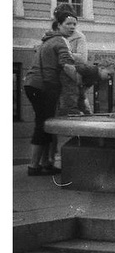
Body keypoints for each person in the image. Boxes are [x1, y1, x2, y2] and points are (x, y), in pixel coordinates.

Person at [23, 11, 78, 176]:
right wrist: (80, 80)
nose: (72, 27)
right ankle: (34, 166)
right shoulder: (61, 41)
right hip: (44, 86)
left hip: (33, 84)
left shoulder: (47, 40)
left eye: (74, 24)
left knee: (45, 123)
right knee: (43, 124)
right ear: (59, 25)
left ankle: (45, 163)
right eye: (68, 24)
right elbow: (66, 65)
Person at [53, 3, 91, 113]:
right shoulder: (55, 35)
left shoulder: (79, 36)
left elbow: (83, 58)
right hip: (57, 78)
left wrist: (65, 54)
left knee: (77, 107)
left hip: (72, 78)